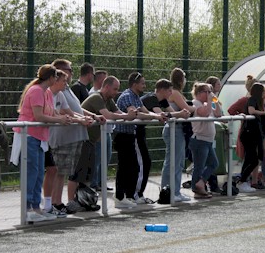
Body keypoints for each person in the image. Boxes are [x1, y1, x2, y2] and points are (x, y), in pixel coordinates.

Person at [16, 65, 71, 223]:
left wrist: (70, 119)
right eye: (56, 77)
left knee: (39, 173)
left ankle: (36, 208)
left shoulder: (46, 92)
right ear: (52, 78)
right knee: (32, 173)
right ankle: (27, 209)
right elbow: (39, 116)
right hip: (30, 136)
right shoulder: (36, 91)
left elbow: (53, 113)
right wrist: (59, 119)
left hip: (40, 138)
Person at [45, 59, 97, 216]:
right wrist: (80, 120)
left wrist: (88, 116)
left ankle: (58, 203)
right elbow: (58, 112)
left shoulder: (65, 88)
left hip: (73, 135)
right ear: (59, 71)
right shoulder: (54, 89)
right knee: (56, 171)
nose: (71, 74)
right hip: (62, 137)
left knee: (63, 172)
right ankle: (53, 203)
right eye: (69, 70)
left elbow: (72, 109)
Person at [114, 72, 165, 208]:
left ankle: (127, 195)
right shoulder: (127, 96)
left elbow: (145, 112)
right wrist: (156, 117)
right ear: (134, 84)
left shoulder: (136, 96)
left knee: (131, 166)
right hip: (123, 135)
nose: (144, 85)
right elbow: (136, 114)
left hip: (130, 135)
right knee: (128, 166)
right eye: (142, 83)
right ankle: (123, 196)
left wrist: (157, 116)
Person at [81, 75, 133, 193]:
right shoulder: (96, 97)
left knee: (101, 161)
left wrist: (128, 115)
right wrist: (126, 116)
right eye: (115, 89)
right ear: (107, 87)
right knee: (89, 166)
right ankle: (89, 189)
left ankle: (95, 186)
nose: (117, 92)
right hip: (85, 138)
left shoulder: (108, 99)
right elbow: (107, 115)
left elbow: (117, 112)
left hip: (96, 137)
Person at [158, 69, 194, 201]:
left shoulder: (177, 92)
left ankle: (174, 190)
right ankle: (169, 191)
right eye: (184, 78)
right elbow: (188, 109)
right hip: (174, 129)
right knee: (172, 162)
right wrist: (198, 107)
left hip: (179, 130)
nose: (185, 80)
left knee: (177, 162)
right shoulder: (175, 92)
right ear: (180, 79)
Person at [188, 83, 223, 199]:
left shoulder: (208, 103)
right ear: (199, 93)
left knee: (214, 163)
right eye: (207, 92)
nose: (209, 94)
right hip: (199, 140)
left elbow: (218, 113)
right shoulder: (196, 103)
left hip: (208, 140)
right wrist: (209, 101)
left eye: (210, 92)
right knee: (199, 166)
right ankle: (197, 189)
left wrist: (215, 100)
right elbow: (205, 113)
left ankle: (201, 183)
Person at [236, 83, 265, 193]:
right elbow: (251, 111)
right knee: (253, 159)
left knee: (254, 158)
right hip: (249, 133)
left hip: (255, 134)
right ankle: (242, 181)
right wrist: (263, 113)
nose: (264, 93)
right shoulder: (252, 100)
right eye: (263, 91)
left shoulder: (259, 102)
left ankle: (243, 180)